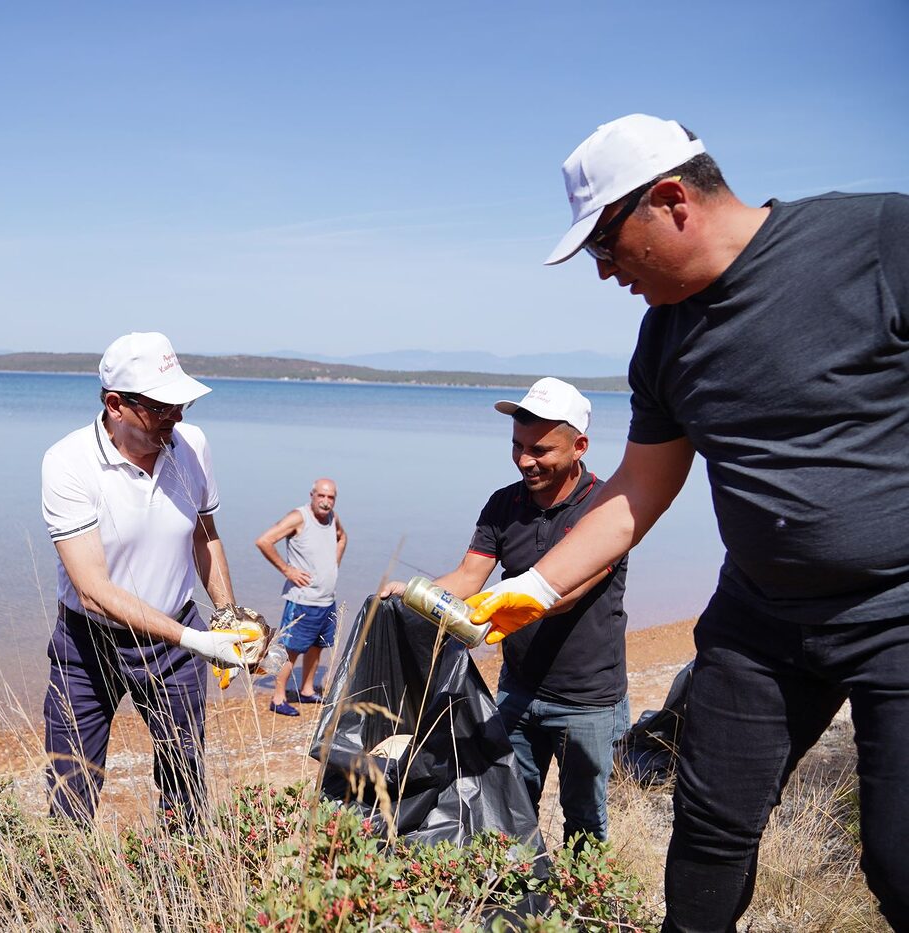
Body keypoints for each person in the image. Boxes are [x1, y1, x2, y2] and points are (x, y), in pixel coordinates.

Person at [466, 114, 909, 931]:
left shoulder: (878, 238)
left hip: (896, 612)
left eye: (605, 246)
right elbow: (639, 487)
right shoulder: (663, 337)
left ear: (671, 200)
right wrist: (532, 583)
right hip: (760, 621)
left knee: (897, 855)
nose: (604, 273)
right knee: (706, 840)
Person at [381, 378, 629, 843]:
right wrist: (416, 594)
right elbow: (468, 578)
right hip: (517, 688)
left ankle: (582, 907)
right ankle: (520, 903)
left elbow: (569, 593)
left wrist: (497, 605)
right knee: (508, 809)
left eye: (540, 450)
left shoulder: (608, 506)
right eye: (517, 446)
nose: (525, 460)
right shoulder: (503, 503)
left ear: (580, 446)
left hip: (588, 698)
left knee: (585, 820)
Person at [41, 331, 251, 825]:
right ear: (116, 405)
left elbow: (205, 534)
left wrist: (227, 617)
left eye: (182, 404)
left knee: (184, 782)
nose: (178, 417)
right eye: (163, 407)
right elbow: (93, 591)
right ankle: (71, 891)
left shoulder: (192, 445)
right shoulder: (68, 463)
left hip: (177, 646)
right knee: (71, 791)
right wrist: (196, 639)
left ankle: (183, 879)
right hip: (88, 645)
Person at [255, 478, 347, 716]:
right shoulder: (299, 517)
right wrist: (288, 570)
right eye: (321, 496)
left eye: (331, 497)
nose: (326, 502)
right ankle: (278, 697)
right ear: (312, 495)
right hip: (302, 600)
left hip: (327, 600)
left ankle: (307, 690)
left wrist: (333, 565)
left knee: (318, 646)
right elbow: (264, 541)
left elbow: (342, 537)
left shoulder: (332, 518)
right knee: (290, 649)